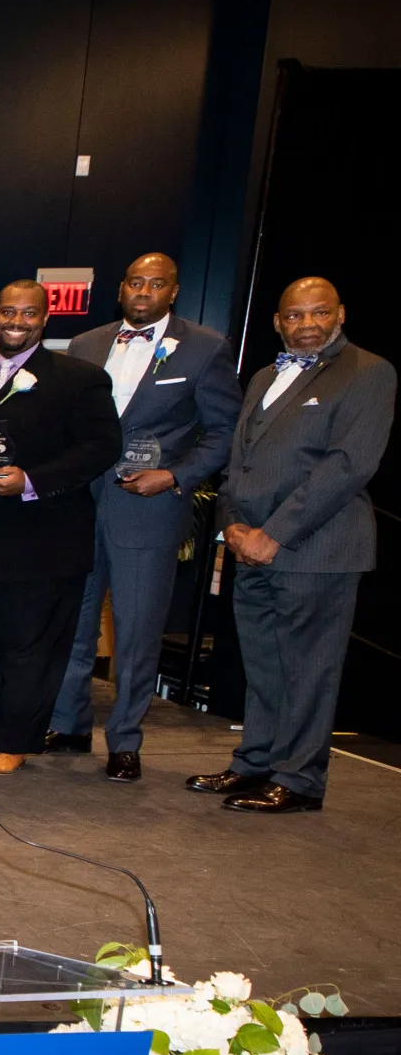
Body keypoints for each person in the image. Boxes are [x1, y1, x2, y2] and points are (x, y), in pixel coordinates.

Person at [191, 277, 394, 814]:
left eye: (319, 313)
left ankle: (300, 779)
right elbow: (240, 461)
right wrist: (231, 525)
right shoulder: (263, 375)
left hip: (316, 549)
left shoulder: (369, 372)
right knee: (262, 662)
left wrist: (273, 534)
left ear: (341, 314)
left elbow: (348, 465)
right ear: (278, 322)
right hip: (248, 545)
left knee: (308, 667)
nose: (307, 325)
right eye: (295, 316)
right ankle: (255, 762)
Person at [47, 253, 243, 780]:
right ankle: (67, 724)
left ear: (173, 292)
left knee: (136, 630)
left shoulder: (205, 349)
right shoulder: (87, 344)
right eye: (136, 282)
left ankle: (125, 740)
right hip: (81, 503)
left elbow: (226, 431)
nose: (144, 291)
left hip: (149, 509)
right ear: (121, 287)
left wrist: (176, 475)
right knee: (74, 620)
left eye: (156, 284)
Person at [0, 281, 122, 778]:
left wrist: (32, 481)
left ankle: (15, 741)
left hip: (42, 541)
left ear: (44, 318)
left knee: (30, 647)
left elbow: (101, 448)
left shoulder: (79, 379)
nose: (17, 321)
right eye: (7, 311)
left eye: (28, 313)